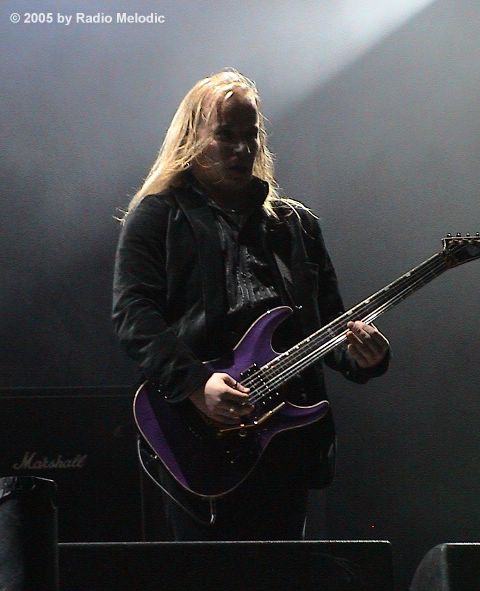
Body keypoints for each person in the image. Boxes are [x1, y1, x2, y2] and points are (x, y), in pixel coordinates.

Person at [112, 69, 390, 542]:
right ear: (193, 139)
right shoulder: (158, 215)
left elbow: (327, 328)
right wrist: (196, 384)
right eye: (226, 136)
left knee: (285, 578)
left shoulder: (295, 226)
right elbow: (133, 315)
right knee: (209, 581)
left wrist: (363, 356)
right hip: (198, 432)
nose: (242, 149)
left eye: (251, 135)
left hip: (283, 438)